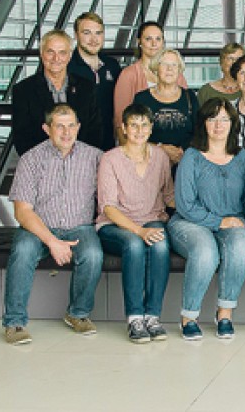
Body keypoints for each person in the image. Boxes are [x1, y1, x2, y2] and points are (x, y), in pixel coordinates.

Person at [3, 104, 103, 345]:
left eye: (71, 126)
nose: (66, 132)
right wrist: (52, 241)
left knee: (93, 254)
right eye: (59, 126)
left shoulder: (96, 157)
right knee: (23, 251)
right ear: (46, 129)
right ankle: (14, 322)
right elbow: (22, 211)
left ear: (78, 128)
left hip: (80, 226)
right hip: (39, 227)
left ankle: (77, 314)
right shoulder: (31, 159)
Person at [167, 98, 245, 341]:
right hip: (189, 221)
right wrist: (218, 222)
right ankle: (189, 316)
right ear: (203, 123)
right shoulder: (192, 157)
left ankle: (224, 314)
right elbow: (185, 204)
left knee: (240, 246)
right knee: (206, 252)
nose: (219, 125)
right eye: (212, 119)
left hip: (233, 220)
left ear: (232, 123)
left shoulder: (243, 158)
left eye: (224, 119)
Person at [96, 104, 175, 343]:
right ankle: (134, 318)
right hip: (115, 225)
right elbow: (108, 206)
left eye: (144, 125)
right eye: (134, 125)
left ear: (151, 128)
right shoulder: (110, 159)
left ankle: (152, 316)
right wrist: (138, 231)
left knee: (160, 246)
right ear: (124, 128)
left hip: (152, 219)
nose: (139, 130)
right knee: (134, 245)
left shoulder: (160, 157)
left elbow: (169, 195)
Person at [12, 30, 103, 156]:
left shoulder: (87, 87)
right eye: (50, 52)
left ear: (70, 55)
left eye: (62, 52)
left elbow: (95, 132)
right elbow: (22, 137)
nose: (56, 58)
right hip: (41, 165)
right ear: (41, 53)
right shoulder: (23, 90)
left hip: (81, 163)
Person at [114, 21, 187, 131]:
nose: (154, 44)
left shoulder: (176, 75)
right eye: (148, 39)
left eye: (158, 39)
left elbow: (186, 108)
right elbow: (121, 120)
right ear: (139, 42)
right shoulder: (128, 75)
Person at [132, 49, 199, 166]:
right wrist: (160, 149)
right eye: (165, 64)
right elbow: (134, 133)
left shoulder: (190, 97)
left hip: (185, 163)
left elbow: (200, 131)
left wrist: (180, 152)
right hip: (150, 163)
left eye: (174, 65)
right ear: (156, 68)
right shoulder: (142, 98)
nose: (170, 69)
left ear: (179, 70)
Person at [68, 12, 121, 150]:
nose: (93, 39)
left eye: (98, 33)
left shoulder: (112, 66)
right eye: (87, 33)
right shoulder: (67, 67)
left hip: (108, 146)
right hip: (76, 147)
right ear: (76, 35)